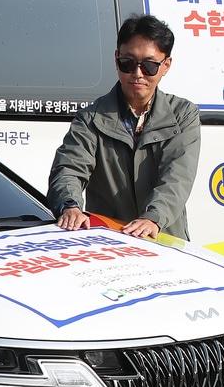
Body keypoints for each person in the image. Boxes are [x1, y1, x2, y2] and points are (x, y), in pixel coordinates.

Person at [47, 14, 201, 240]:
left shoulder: (183, 114)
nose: (137, 74)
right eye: (128, 63)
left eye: (149, 66)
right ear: (116, 59)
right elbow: (69, 168)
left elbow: (177, 179)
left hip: (164, 241)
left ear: (166, 65)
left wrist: (153, 218)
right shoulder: (90, 118)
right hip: (109, 243)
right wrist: (70, 206)